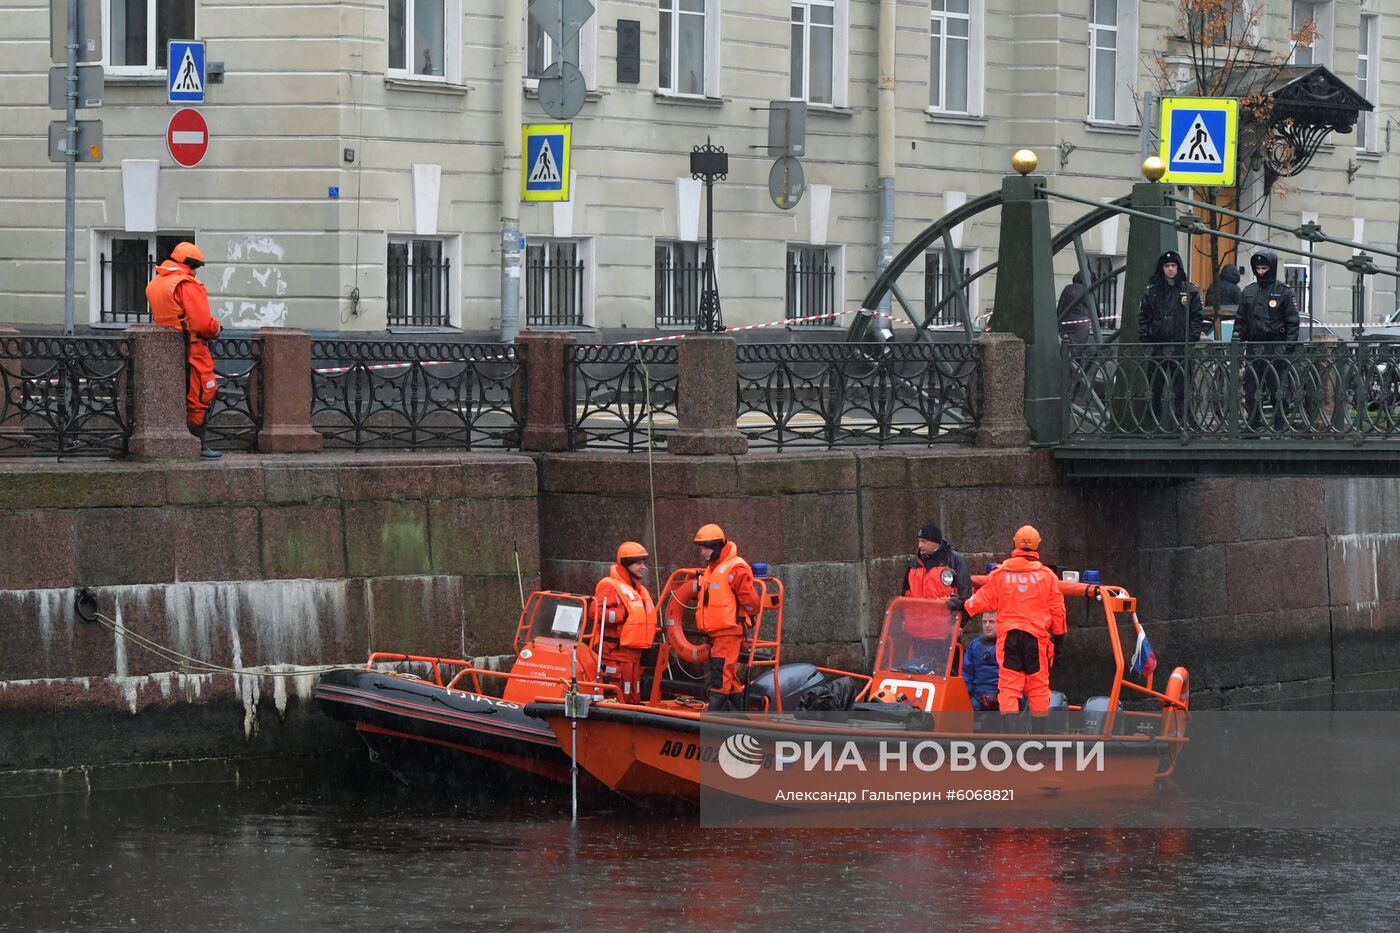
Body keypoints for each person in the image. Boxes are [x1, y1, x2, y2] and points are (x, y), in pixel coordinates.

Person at [959, 525, 1066, 727]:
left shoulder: (1001, 575)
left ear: (1014, 543)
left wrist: (961, 605)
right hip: (1035, 639)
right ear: (1037, 545)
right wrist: (1059, 642)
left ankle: (1010, 738)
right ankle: (1039, 739)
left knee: (1008, 687)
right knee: (1038, 688)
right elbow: (1058, 612)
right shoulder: (1047, 577)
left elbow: (981, 600)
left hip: (1009, 638)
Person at [145, 241, 223, 459]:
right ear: (189, 263)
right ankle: (197, 443)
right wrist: (217, 328)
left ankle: (177, 441)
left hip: (165, 349)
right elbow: (202, 323)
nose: (196, 271)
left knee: (173, 394)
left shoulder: (156, 283)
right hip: (192, 347)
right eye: (195, 266)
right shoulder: (186, 284)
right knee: (201, 393)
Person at [689, 523, 761, 712]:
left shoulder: (734, 568)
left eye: (706, 548)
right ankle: (738, 714)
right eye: (701, 548)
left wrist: (747, 616)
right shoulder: (712, 569)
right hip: (718, 632)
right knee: (730, 676)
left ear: (717, 547)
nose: (703, 553)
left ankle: (715, 716)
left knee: (720, 674)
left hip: (728, 631)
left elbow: (752, 601)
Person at [1137, 249, 1206, 433]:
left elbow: (1197, 317)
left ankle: (1182, 424)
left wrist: (1190, 338)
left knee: (1182, 387)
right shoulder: (1152, 292)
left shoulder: (1189, 290)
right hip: (1158, 344)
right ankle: (1154, 424)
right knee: (1155, 387)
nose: (1170, 269)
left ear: (1178, 268)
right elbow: (1143, 316)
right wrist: (1147, 336)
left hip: (1180, 345)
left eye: (1173, 266)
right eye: (1167, 266)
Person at [1232, 250, 1300, 432]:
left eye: (1264, 268)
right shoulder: (1249, 291)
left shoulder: (1283, 292)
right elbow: (1241, 320)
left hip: (1275, 346)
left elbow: (1293, 322)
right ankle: (1254, 424)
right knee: (1251, 388)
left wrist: (1288, 348)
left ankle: (1280, 424)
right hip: (1254, 346)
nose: (1261, 271)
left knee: (1277, 389)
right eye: (1258, 268)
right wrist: (1237, 343)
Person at [593, 542, 658, 704]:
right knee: (618, 695)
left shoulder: (639, 590)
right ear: (627, 565)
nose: (643, 567)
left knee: (633, 694)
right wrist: (622, 614)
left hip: (634, 657)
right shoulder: (609, 585)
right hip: (615, 655)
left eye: (644, 563)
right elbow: (596, 613)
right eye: (639, 563)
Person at [903, 522, 972, 602]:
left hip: (945, 613)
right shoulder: (914, 562)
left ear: (935, 542)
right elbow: (905, 594)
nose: (920, 545)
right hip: (918, 613)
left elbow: (965, 593)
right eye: (919, 541)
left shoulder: (954, 559)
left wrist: (955, 606)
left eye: (923, 541)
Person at [961, 613, 1000, 711]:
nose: (987, 625)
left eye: (991, 622)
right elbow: (967, 672)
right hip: (978, 694)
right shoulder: (975, 644)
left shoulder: (1008, 644)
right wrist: (964, 693)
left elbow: (1014, 677)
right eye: (984, 622)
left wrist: (997, 696)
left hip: (1001, 694)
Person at [1056, 272, 1093, 345]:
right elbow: (1093, 308)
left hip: (1066, 322)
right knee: (1078, 348)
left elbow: (1060, 307)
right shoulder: (1087, 290)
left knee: (1066, 346)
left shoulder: (1067, 289)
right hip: (1081, 324)